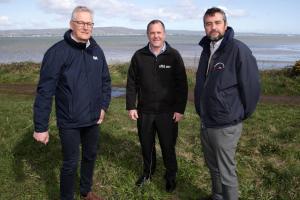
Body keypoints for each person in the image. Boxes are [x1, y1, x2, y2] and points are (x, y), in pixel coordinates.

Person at [33, 6, 111, 200]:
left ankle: (85, 191)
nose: (86, 27)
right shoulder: (57, 52)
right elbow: (45, 91)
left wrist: (103, 107)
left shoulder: (96, 49)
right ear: (71, 24)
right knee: (70, 163)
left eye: (89, 23)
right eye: (81, 23)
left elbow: (106, 81)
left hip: (93, 118)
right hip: (69, 120)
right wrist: (41, 126)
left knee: (90, 156)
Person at [194, 7, 260, 200]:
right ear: (204, 27)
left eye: (217, 23)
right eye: (208, 24)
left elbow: (252, 86)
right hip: (207, 121)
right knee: (213, 166)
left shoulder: (238, 49)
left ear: (225, 24)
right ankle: (217, 196)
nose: (213, 27)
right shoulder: (208, 49)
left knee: (226, 172)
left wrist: (239, 114)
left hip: (226, 124)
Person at [126, 19, 188, 192]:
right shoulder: (139, 56)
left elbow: (182, 85)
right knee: (146, 145)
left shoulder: (173, 55)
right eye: (152, 33)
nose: (156, 36)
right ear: (148, 35)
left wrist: (179, 109)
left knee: (168, 146)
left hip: (167, 112)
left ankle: (171, 175)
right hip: (144, 112)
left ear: (164, 34)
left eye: (159, 32)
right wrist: (131, 106)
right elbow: (131, 83)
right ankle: (148, 173)